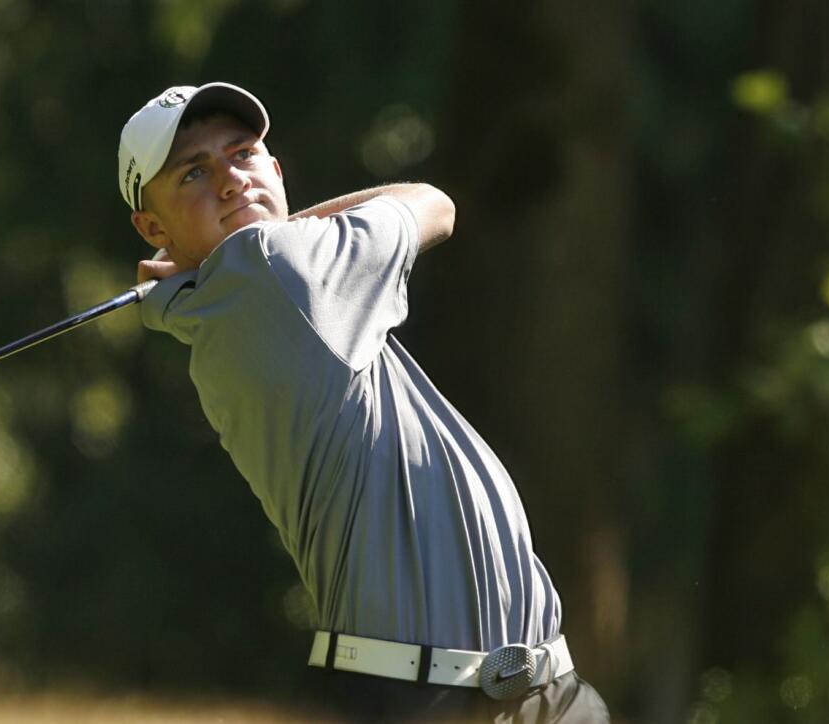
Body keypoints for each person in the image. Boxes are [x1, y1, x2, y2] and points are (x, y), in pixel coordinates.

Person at [119, 82, 610, 722]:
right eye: (194, 172)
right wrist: (277, 229)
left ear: (275, 167)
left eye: (243, 154)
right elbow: (432, 203)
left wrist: (207, 256)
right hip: (426, 697)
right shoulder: (275, 270)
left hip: (538, 689)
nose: (232, 181)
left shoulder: (235, 294)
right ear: (152, 227)